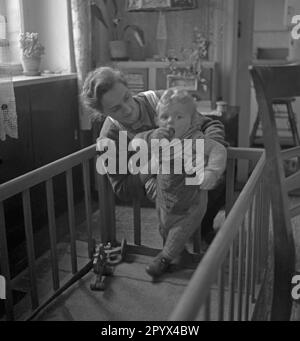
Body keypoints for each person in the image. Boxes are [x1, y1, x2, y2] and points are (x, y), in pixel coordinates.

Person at [81, 66, 227, 246]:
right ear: (103, 113)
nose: (127, 109)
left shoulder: (161, 100)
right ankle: (178, 234)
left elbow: (209, 124)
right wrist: (155, 163)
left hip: (194, 163)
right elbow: (123, 189)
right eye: (116, 109)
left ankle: (203, 227)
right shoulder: (109, 137)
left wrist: (213, 150)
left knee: (220, 181)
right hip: (163, 185)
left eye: (127, 97)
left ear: (129, 89)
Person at [132, 88, 227, 278]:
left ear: (192, 121)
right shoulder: (159, 136)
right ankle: (176, 253)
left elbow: (218, 150)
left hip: (192, 199)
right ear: (158, 119)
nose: (170, 121)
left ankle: (164, 258)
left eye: (179, 116)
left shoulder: (195, 139)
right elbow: (136, 142)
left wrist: (212, 172)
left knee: (180, 230)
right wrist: (151, 138)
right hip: (165, 195)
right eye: (165, 116)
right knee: (165, 226)